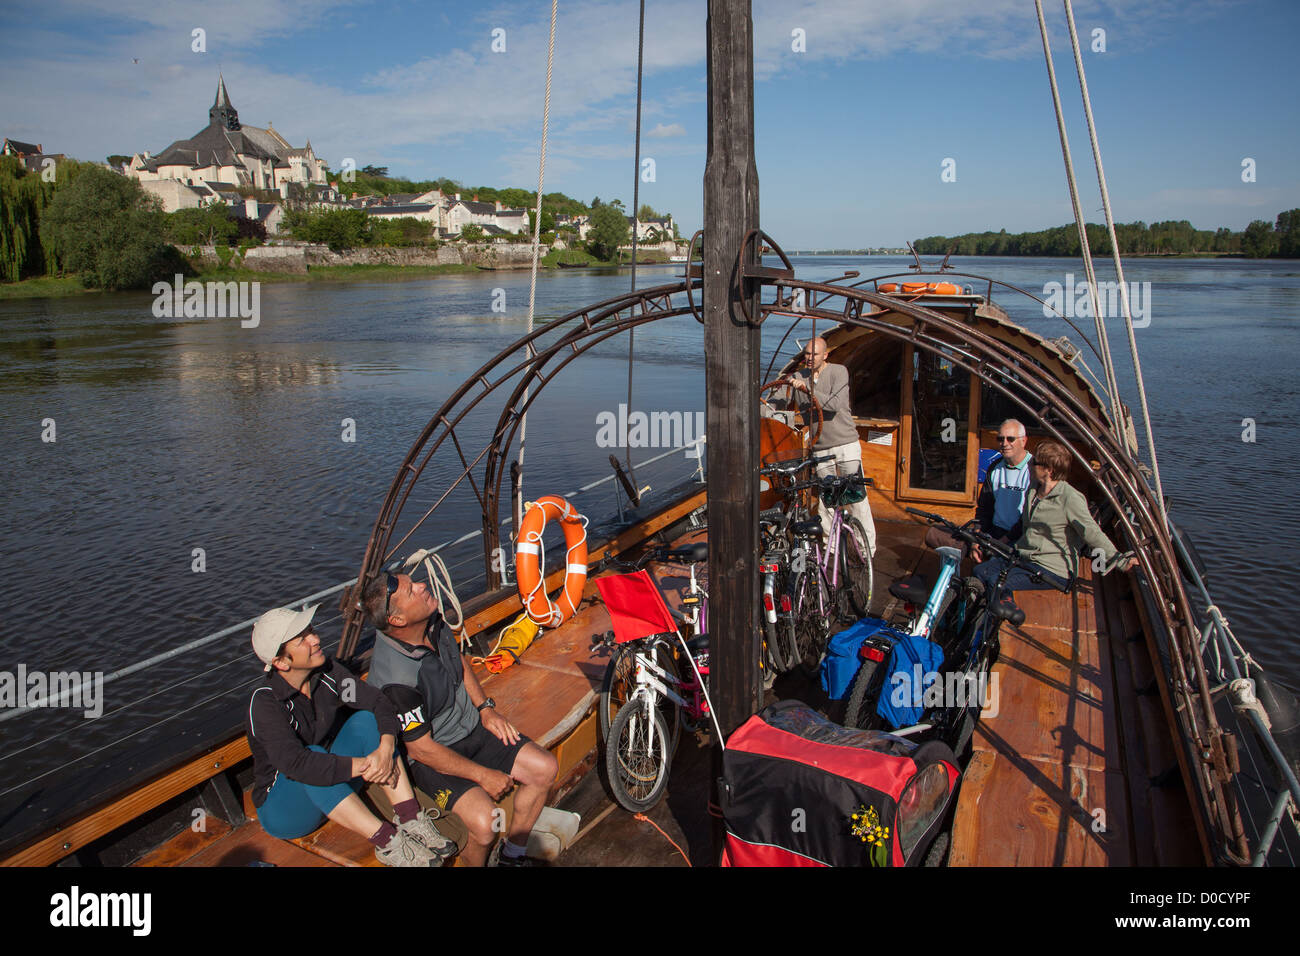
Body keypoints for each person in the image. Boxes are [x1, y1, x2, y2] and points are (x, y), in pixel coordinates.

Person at [363, 572, 558, 867]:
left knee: (544, 768)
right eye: (412, 590)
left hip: (472, 728)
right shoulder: (396, 680)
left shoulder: (432, 622)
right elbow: (420, 749)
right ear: (398, 620)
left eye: (415, 582)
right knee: (484, 823)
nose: (422, 585)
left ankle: (512, 857)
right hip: (434, 757)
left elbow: (458, 661)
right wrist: (482, 775)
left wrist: (485, 709)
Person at [246, 605, 457, 866]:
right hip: (286, 811)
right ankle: (387, 842)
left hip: (336, 789)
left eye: (311, 631)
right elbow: (296, 764)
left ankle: (412, 820)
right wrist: (368, 765)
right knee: (312, 757)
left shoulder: (326, 674)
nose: (316, 639)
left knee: (366, 720)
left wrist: (385, 748)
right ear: (281, 662)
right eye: (303, 639)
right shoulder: (266, 703)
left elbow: (378, 703)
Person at [973, 439, 1136, 594]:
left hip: (1052, 569)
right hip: (1025, 557)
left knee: (996, 582)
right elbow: (1024, 522)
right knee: (980, 571)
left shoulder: (1069, 498)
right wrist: (999, 543)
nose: (1030, 464)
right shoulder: (1034, 489)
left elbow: (1092, 533)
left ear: (1049, 470)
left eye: (1035, 462)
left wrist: (1121, 561)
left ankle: (1005, 617)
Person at [789, 336, 877, 556]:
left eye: (814, 354)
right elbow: (779, 399)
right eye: (807, 354)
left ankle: (867, 552)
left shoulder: (839, 371)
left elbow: (835, 404)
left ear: (825, 355)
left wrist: (807, 390)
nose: (809, 358)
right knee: (827, 504)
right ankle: (831, 550)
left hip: (846, 445)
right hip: (821, 449)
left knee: (856, 500)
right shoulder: (799, 376)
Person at [927, 419, 1034, 561]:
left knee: (998, 561)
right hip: (993, 531)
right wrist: (977, 538)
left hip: (1019, 536)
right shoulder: (995, 467)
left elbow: (1029, 518)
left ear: (1023, 441)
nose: (1005, 443)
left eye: (1011, 439)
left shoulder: (1033, 470)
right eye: (1000, 439)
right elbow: (984, 508)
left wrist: (1001, 542)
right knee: (934, 534)